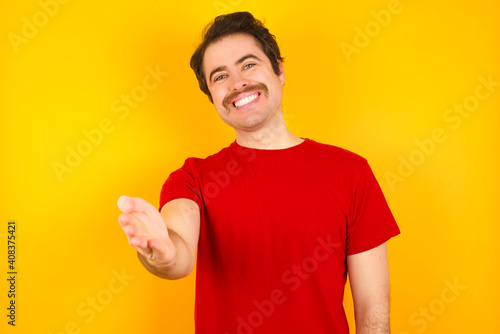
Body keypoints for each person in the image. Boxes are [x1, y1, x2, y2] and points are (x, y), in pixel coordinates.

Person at [117, 11, 400, 334]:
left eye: (248, 65)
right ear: (212, 97)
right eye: (220, 76)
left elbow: (373, 311)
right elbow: (176, 254)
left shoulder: (350, 172)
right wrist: (161, 252)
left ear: (278, 71)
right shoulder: (192, 177)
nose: (238, 83)